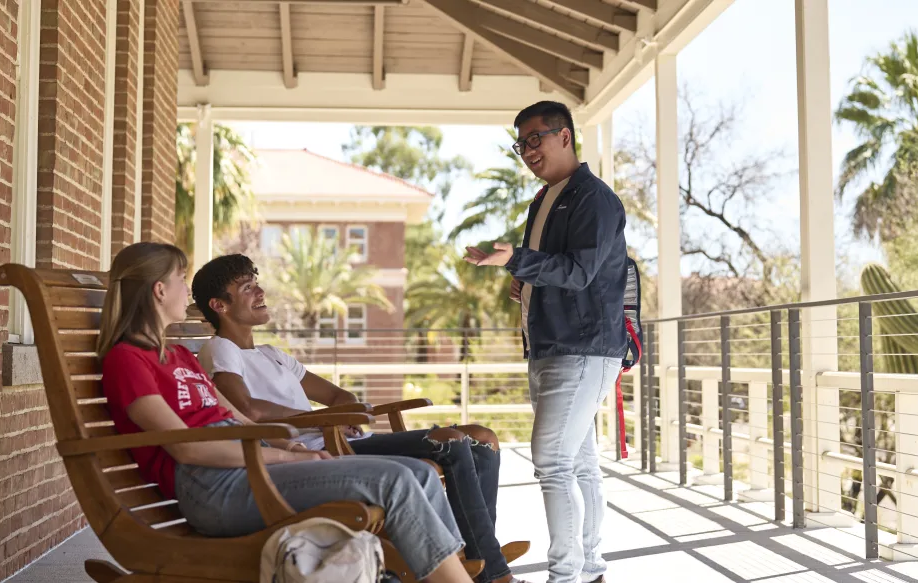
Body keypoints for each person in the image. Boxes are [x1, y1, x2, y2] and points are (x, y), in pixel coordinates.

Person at [97, 242, 473, 583]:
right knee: (395, 481)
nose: (187, 291)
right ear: (159, 291)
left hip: (247, 468)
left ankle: (447, 569)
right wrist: (278, 453)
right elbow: (188, 449)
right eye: (180, 279)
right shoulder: (126, 360)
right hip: (212, 486)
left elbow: (239, 420)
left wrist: (293, 450)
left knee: (419, 472)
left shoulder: (179, 356)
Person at [190, 254, 527, 583]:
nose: (260, 293)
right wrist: (322, 419)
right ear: (220, 305)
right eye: (247, 287)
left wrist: (341, 412)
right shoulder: (220, 349)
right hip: (318, 452)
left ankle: (478, 554)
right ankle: (492, 572)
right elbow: (246, 408)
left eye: (256, 283)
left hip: (344, 439)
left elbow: (339, 396)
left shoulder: (271, 354)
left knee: (482, 438)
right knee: (451, 443)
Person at [463, 101, 628, 583]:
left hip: (581, 348)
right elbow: (558, 269)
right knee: (577, 462)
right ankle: (589, 565)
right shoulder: (546, 198)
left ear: (565, 136)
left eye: (536, 138)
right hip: (553, 346)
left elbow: (578, 273)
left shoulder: (592, 198)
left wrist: (518, 259)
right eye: (521, 143)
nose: (528, 150)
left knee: (553, 461)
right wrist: (523, 280)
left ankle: (565, 575)